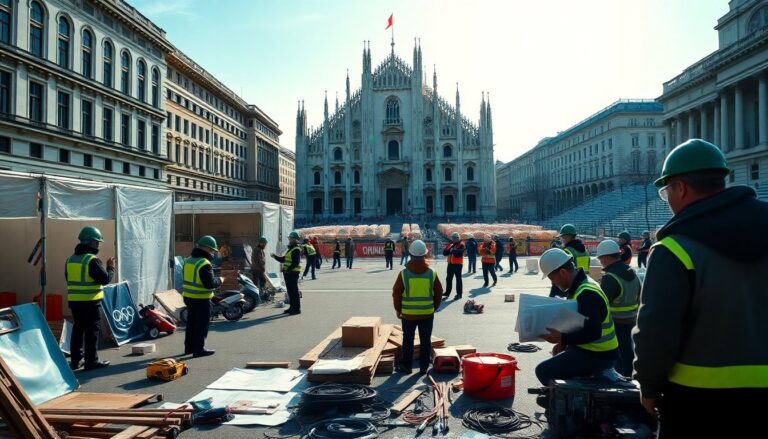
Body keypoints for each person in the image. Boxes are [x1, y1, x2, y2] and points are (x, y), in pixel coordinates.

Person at [633, 139, 768, 437]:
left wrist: (649, 384)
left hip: (695, 400)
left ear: (680, 187)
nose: (667, 198)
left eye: (666, 190)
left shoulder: (674, 249)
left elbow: (656, 329)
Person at [535, 248, 618, 385]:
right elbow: (582, 325)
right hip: (595, 350)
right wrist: (565, 343)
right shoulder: (580, 286)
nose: (552, 283)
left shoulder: (587, 293)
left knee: (543, 371)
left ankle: (573, 399)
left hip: (599, 355)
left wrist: (562, 338)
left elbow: (593, 333)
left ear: (562, 272)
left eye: (552, 278)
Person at [66, 226, 115, 370]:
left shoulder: (70, 260)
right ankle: (91, 361)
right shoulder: (92, 260)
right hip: (91, 302)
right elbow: (105, 279)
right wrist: (110, 267)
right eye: (97, 242)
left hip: (75, 302)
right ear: (92, 243)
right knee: (92, 331)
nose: (98, 245)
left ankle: (76, 361)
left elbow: (69, 279)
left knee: (78, 329)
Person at [392, 240, 443, 375]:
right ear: (425, 255)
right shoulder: (431, 273)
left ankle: (407, 366)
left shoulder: (404, 273)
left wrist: (398, 309)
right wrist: (434, 307)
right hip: (427, 313)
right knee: (425, 340)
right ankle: (424, 367)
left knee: (408, 339)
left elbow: (396, 293)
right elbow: (439, 292)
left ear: (410, 254)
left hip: (408, 314)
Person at [595, 240, 640, 378]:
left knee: (618, 360)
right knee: (628, 355)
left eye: (600, 258)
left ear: (607, 257)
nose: (600, 262)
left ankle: (623, 384)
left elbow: (599, 306)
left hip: (616, 326)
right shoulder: (633, 273)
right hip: (632, 323)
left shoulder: (610, 278)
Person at [182, 235, 222, 357]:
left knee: (191, 323)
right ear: (206, 248)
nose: (212, 253)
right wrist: (220, 280)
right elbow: (209, 284)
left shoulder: (188, 260)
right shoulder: (204, 263)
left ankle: (189, 348)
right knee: (201, 324)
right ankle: (199, 349)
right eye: (211, 250)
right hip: (201, 298)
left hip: (188, 297)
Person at [550, 224, 590, 297]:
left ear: (568, 237)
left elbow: (561, 271)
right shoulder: (585, 251)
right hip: (583, 283)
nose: (561, 239)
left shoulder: (568, 251)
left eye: (562, 237)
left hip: (569, 284)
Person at [271, 231, 302, 315]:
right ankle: (292, 307)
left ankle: (296, 309)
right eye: (289, 238)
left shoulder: (296, 249)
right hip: (288, 273)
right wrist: (275, 257)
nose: (289, 239)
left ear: (295, 239)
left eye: (291, 238)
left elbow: (296, 262)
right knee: (290, 291)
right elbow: (283, 259)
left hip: (292, 273)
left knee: (294, 292)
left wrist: (288, 269)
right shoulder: (291, 249)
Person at [442, 232, 465, 300]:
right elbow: (444, 253)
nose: (454, 239)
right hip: (450, 264)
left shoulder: (461, 244)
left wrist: (452, 251)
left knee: (458, 279)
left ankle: (459, 294)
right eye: (453, 238)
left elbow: (459, 254)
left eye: (456, 238)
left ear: (458, 238)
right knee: (448, 279)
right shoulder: (451, 244)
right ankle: (447, 292)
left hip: (458, 265)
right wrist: (452, 250)